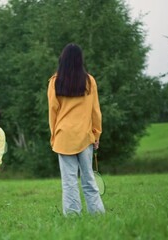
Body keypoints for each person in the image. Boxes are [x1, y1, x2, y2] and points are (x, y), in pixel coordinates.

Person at [47, 43, 105, 216]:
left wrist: (53, 137)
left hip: (63, 136)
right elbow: (96, 111)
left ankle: (73, 217)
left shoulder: (54, 81)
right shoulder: (89, 81)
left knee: (69, 181)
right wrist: (97, 134)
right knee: (89, 179)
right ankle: (97, 214)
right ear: (80, 60)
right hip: (85, 136)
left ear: (62, 59)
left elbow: (52, 112)